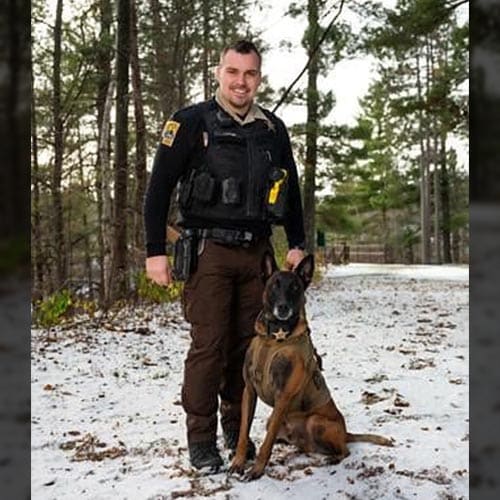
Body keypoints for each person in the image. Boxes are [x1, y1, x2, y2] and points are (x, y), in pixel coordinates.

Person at [144, 40, 306, 471]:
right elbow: (158, 190)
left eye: (250, 74)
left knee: (245, 349)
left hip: (258, 257)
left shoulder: (272, 129)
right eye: (233, 72)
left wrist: (297, 240)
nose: (241, 82)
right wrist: (154, 252)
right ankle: (200, 439)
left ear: (259, 77)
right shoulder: (190, 122)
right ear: (219, 72)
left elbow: (290, 192)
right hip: (208, 252)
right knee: (208, 347)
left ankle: (236, 430)